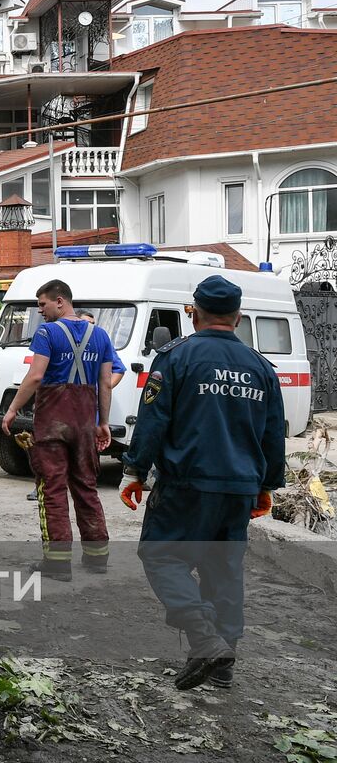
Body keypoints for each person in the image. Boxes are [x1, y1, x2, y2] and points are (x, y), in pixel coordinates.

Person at [119, 275, 285, 691]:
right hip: (239, 488)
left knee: (161, 556)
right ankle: (224, 663)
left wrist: (134, 470)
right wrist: (266, 486)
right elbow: (272, 434)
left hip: (187, 485)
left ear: (193, 314)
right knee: (223, 568)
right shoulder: (261, 367)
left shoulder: (176, 358)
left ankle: (205, 639)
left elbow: (154, 420)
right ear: (239, 318)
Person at [2, 279, 116, 580]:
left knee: (52, 488)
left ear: (60, 301)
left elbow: (36, 376)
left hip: (53, 421)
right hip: (84, 423)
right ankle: (97, 558)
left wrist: (13, 409)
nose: (40, 311)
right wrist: (102, 422)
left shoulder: (47, 333)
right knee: (86, 487)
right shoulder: (101, 335)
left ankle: (57, 564)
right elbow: (105, 383)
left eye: (43, 304)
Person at [80, 312, 125, 389]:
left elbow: (119, 369)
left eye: (93, 324)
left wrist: (104, 389)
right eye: (87, 323)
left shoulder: (102, 342)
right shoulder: (66, 340)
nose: (91, 327)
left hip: (91, 396)